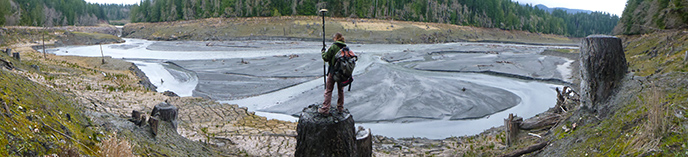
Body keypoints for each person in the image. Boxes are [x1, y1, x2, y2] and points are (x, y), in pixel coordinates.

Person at [319, 32, 347, 114]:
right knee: (340, 90)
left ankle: (325, 109)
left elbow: (326, 58)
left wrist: (323, 52)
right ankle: (340, 107)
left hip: (333, 71)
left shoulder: (334, 47)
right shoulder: (345, 47)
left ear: (336, 38)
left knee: (328, 90)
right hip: (342, 72)